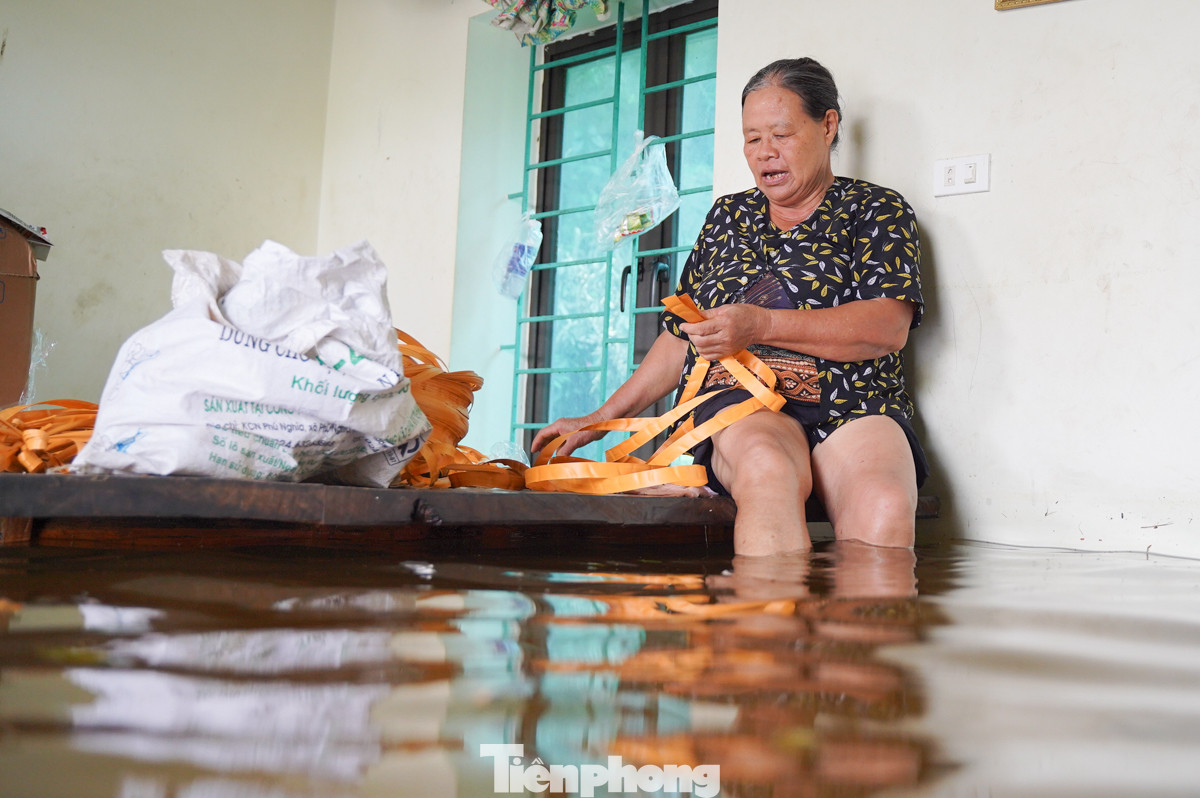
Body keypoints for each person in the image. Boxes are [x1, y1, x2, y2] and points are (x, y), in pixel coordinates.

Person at [531, 57, 929, 556]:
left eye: (781, 135)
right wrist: (598, 417)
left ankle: (849, 633)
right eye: (752, 138)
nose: (766, 154)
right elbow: (682, 336)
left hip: (851, 401)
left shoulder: (876, 209)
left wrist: (760, 323)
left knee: (886, 504)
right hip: (741, 407)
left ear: (827, 125)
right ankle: (765, 628)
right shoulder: (728, 216)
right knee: (768, 469)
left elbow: (886, 328)